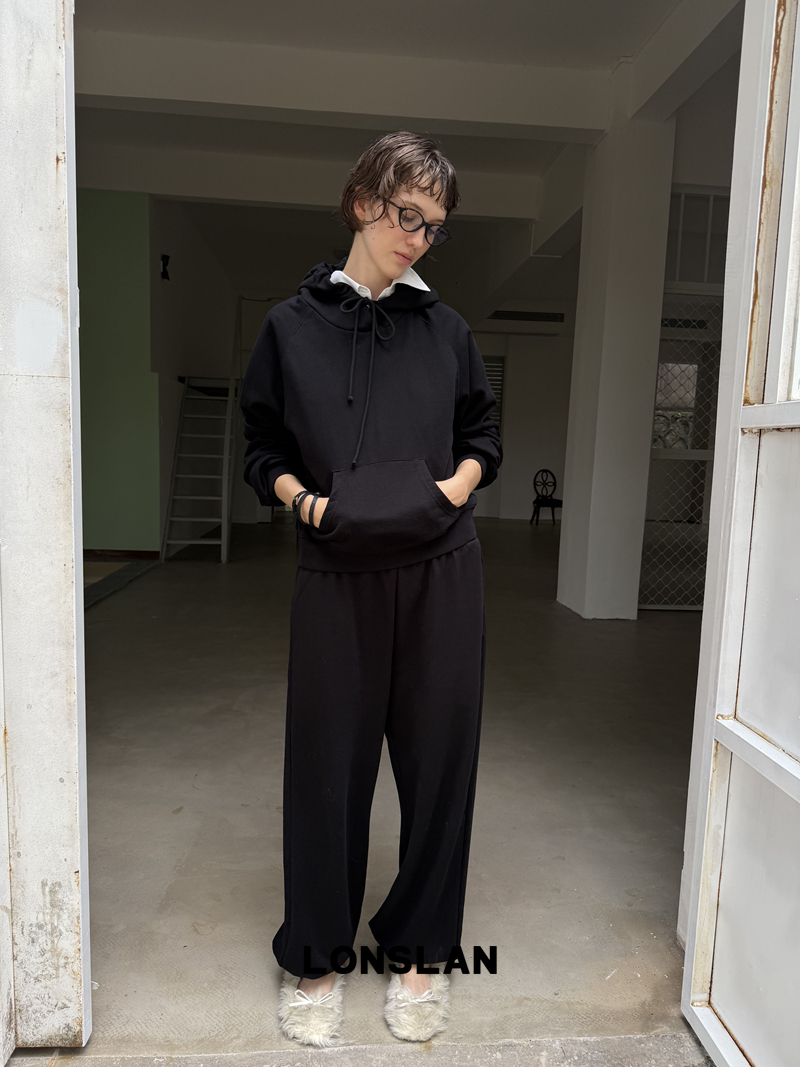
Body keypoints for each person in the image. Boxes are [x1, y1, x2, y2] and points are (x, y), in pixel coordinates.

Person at [239, 131, 503, 1048]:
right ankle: (316, 959)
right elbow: (262, 446)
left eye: (433, 226)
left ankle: (422, 954)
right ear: (362, 202)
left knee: (439, 767)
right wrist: (305, 502)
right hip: (336, 572)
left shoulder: (448, 331)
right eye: (406, 215)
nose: (417, 237)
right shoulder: (291, 327)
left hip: (442, 571)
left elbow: (484, 435)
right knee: (325, 768)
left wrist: (452, 490)